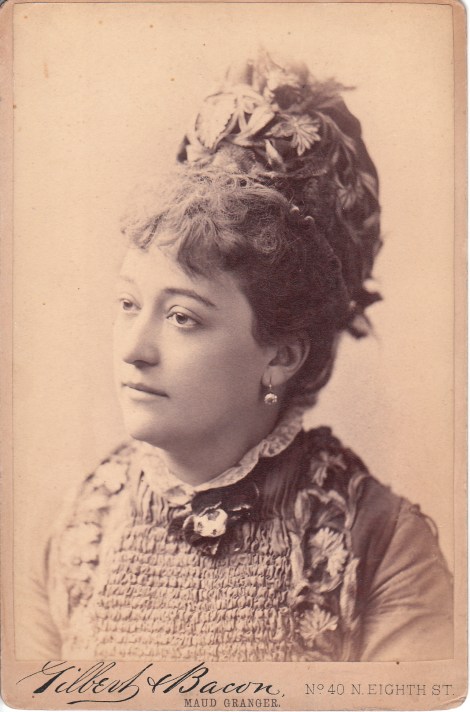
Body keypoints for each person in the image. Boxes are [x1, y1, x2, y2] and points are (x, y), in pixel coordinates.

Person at [28, 52, 452, 662]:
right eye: (128, 304)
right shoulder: (74, 533)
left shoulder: (382, 546)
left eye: (182, 317)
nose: (133, 349)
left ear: (281, 355)